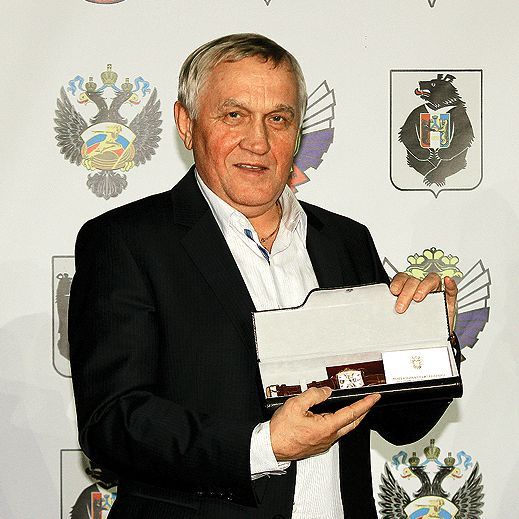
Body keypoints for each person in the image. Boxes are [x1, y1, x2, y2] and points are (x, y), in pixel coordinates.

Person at [68, 33, 458, 519]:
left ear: (298, 132)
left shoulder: (346, 241)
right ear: (186, 124)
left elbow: (402, 423)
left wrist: (430, 339)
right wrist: (263, 446)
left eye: (278, 119)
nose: (258, 141)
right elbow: (113, 423)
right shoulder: (125, 241)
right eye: (234, 115)